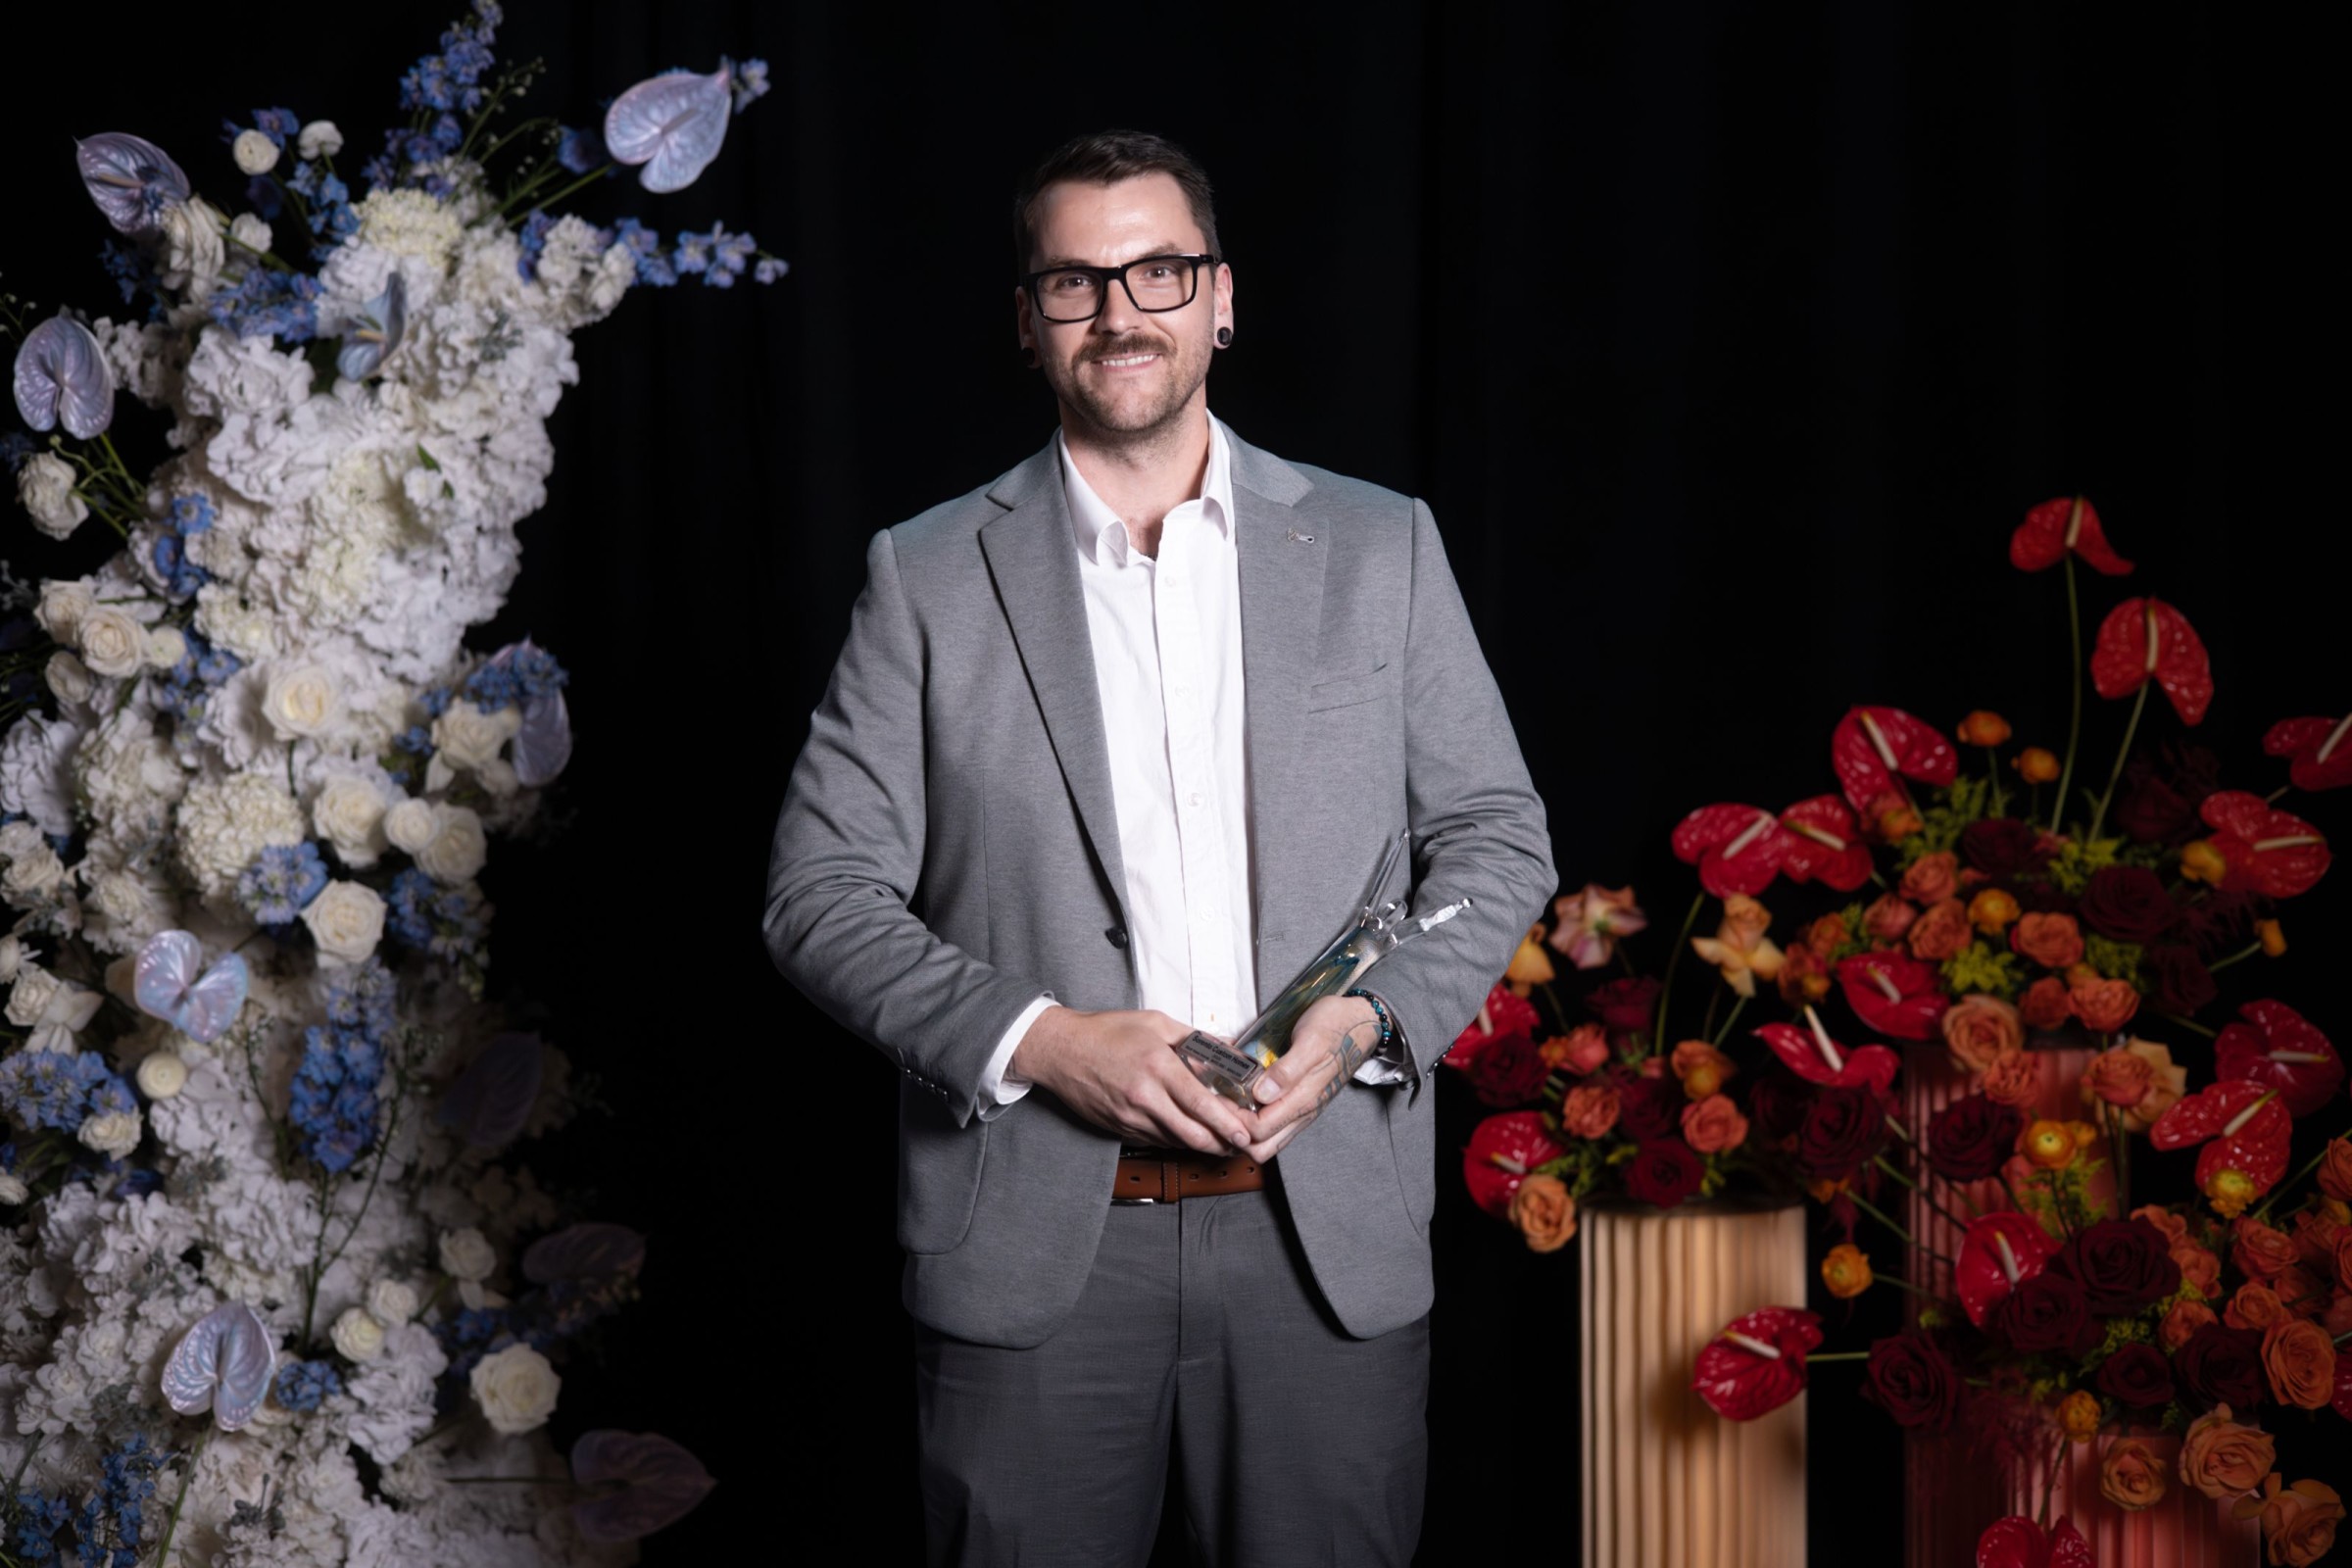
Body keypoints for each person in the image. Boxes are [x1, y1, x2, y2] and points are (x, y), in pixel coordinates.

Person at [762, 128, 1552, 1567]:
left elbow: (1496, 838)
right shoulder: (925, 576)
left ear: (1220, 296)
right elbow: (819, 895)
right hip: (1034, 1261)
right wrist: (1049, 1042)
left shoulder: (1382, 547)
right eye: (1075, 281)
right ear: (1029, 320)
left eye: (1159, 272)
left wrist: (1375, 1022)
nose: (1120, 311)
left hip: (1323, 1250)